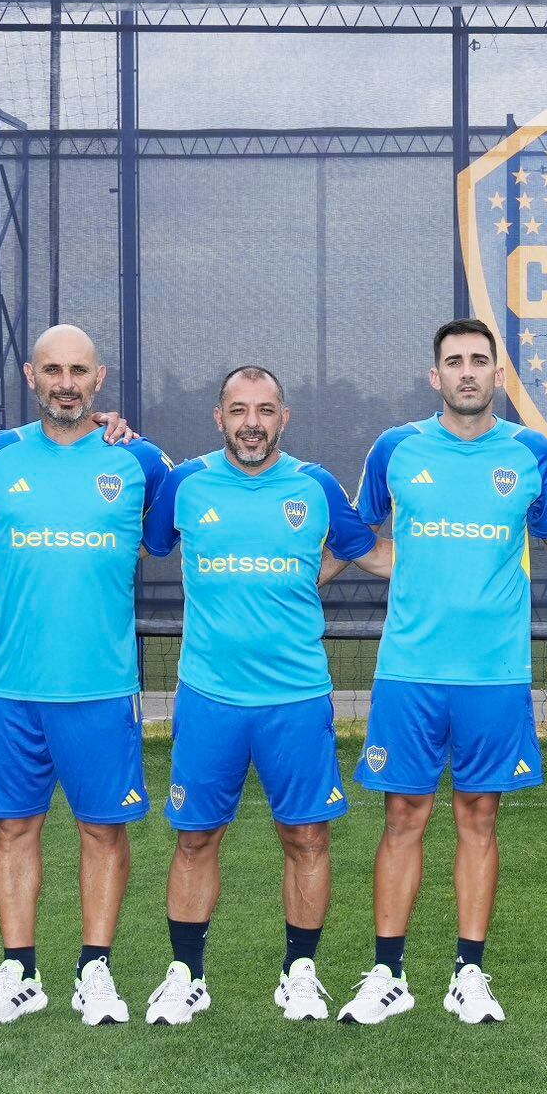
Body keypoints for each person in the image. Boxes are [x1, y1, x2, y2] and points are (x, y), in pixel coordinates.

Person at [337, 320, 547, 1026]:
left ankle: (469, 975)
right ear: (435, 376)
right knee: (403, 818)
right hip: (409, 671)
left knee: (480, 820)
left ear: (498, 375)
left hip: (496, 675)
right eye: (455, 361)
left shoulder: (531, 452)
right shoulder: (396, 449)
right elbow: (362, 537)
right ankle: (388, 973)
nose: (468, 372)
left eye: (480, 361)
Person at [138, 365, 391, 1025]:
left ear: (285, 418)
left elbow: (362, 550)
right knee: (196, 839)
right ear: (218, 417)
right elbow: (149, 535)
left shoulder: (316, 486)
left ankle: (299, 973)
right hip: (209, 696)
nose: (253, 421)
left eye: (266, 409)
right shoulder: (185, 484)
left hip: (297, 697)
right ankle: (185, 975)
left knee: (307, 838)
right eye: (239, 409)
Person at [0, 324, 171, 1027]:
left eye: (78, 370)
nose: (66, 383)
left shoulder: (140, 461)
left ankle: (95, 970)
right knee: (13, 828)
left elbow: (179, 527)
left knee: (103, 830)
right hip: (13, 683)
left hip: (102, 685)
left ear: (99, 379)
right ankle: (20, 970)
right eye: (53, 370)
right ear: (30, 375)